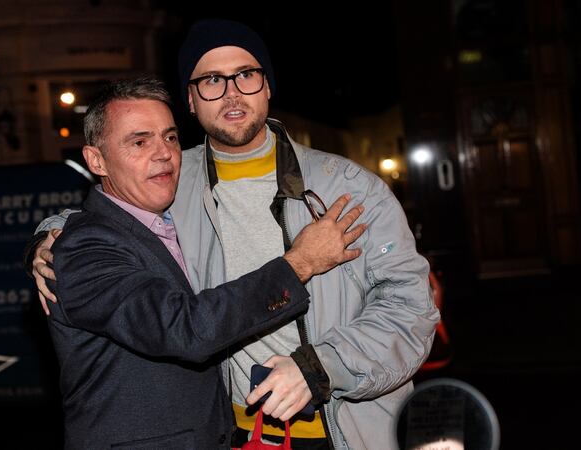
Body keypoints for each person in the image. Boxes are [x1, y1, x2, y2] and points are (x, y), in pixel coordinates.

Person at [29, 20, 439, 449]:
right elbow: (112, 212)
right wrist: (48, 236)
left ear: (267, 87)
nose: (231, 92)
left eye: (246, 75)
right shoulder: (172, 182)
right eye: (211, 80)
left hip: (346, 431)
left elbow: (411, 307)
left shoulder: (349, 186)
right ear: (190, 99)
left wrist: (321, 367)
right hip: (234, 436)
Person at [42, 77, 366, 449]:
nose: (163, 153)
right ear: (96, 160)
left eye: (170, 137)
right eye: (139, 141)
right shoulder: (86, 247)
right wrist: (299, 264)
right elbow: (184, 328)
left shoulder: (173, 219)